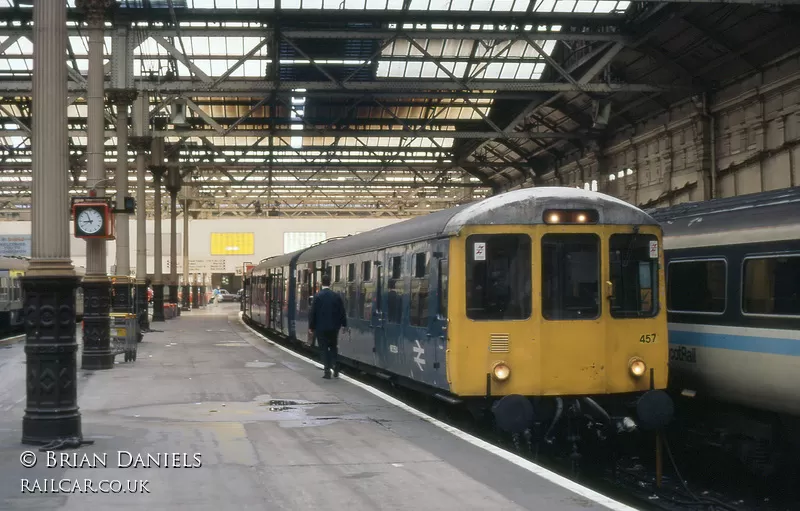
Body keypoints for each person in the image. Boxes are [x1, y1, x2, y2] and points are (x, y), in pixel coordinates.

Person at [308, 274, 347, 379]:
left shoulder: (317, 296)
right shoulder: (336, 296)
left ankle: (327, 372)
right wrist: (344, 325)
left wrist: (311, 327)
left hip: (321, 328)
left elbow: (313, 313)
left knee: (324, 349)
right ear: (330, 283)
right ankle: (335, 366)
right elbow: (342, 312)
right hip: (334, 328)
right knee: (333, 347)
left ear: (322, 283)